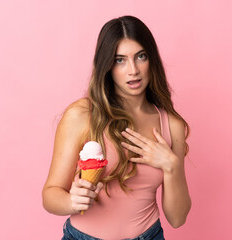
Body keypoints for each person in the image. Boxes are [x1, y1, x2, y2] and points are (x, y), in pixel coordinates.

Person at [42, 15, 191, 240]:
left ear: (152, 60)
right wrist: (71, 201)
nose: (133, 70)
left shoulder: (171, 125)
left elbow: (177, 219)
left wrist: (171, 166)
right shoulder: (81, 115)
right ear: (107, 65)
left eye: (141, 57)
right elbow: (50, 195)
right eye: (120, 60)